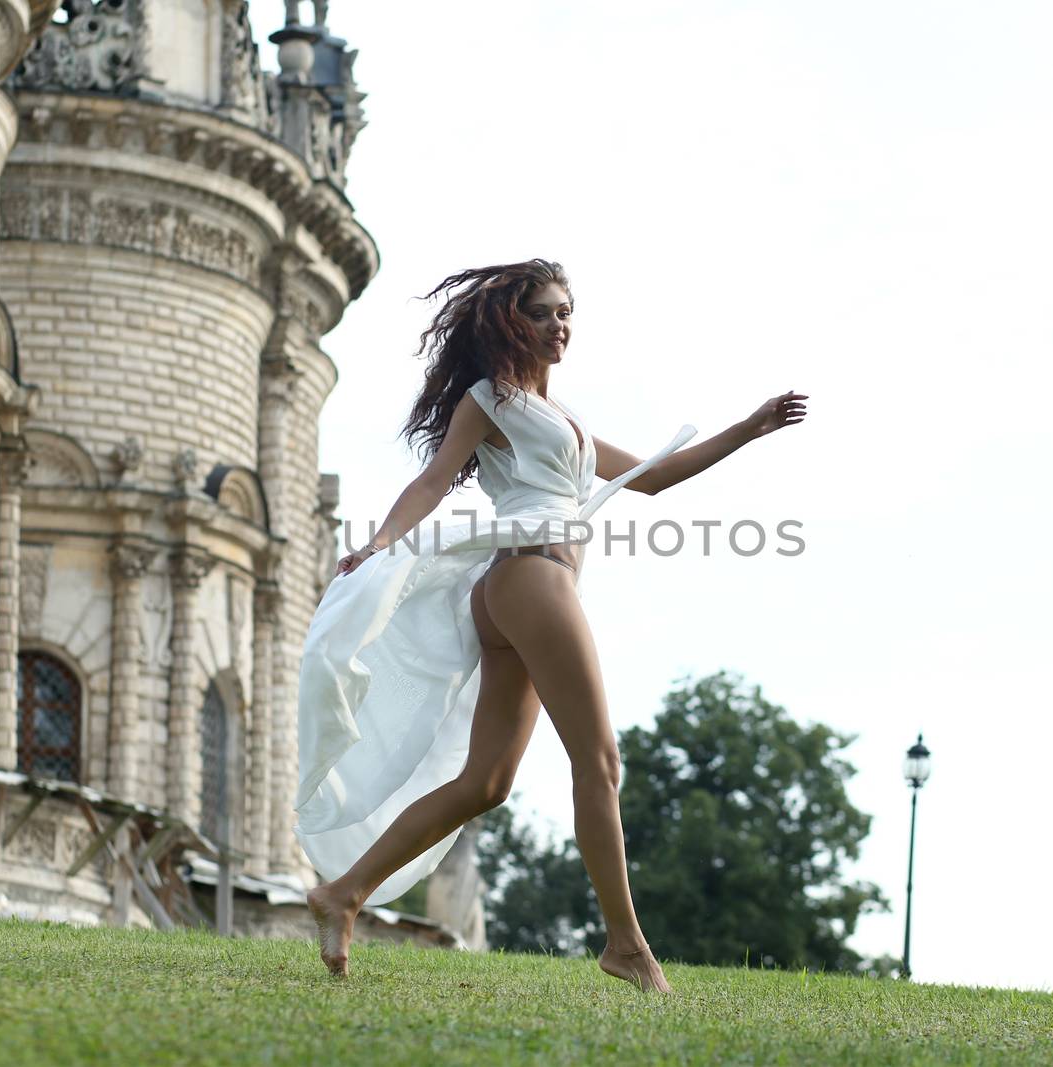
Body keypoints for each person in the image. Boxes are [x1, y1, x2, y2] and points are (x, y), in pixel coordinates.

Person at [296, 259, 807, 992]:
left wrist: (748, 428)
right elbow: (435, 479)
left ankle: (342, 892)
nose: (558, 325)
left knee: (487, 782)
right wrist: (380, 543)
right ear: (510, 321)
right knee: (599, 760)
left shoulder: (563, 420)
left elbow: (655, 476)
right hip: (530, 577)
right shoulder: (492, 399)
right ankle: (627, 944)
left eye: (565, 312)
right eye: (542, 312)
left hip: (525, 591)